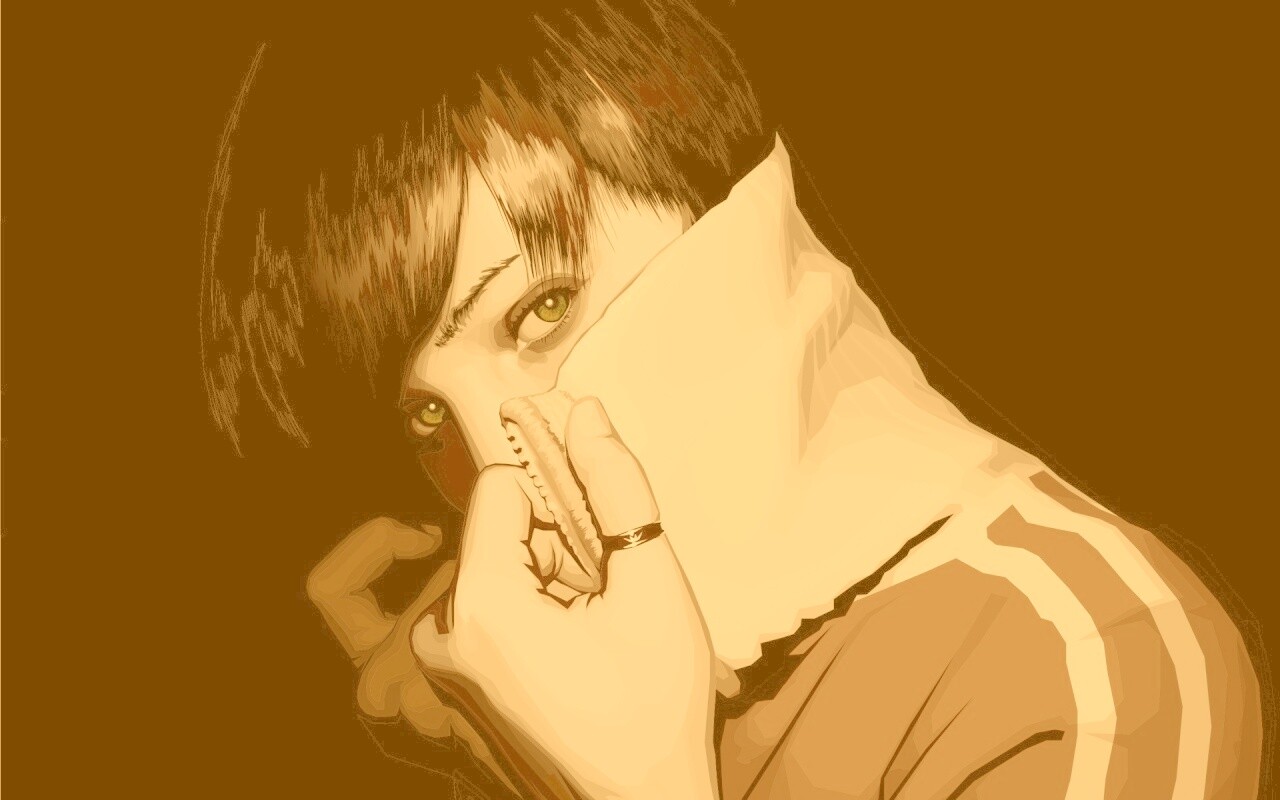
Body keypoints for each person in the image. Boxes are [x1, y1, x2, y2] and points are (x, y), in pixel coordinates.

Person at [201, 2, 1263, 797]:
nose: (492, 467)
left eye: (543, 309)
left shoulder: (1088, 661)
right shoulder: (517, 688)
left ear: (731, 225)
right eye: (427, 414)